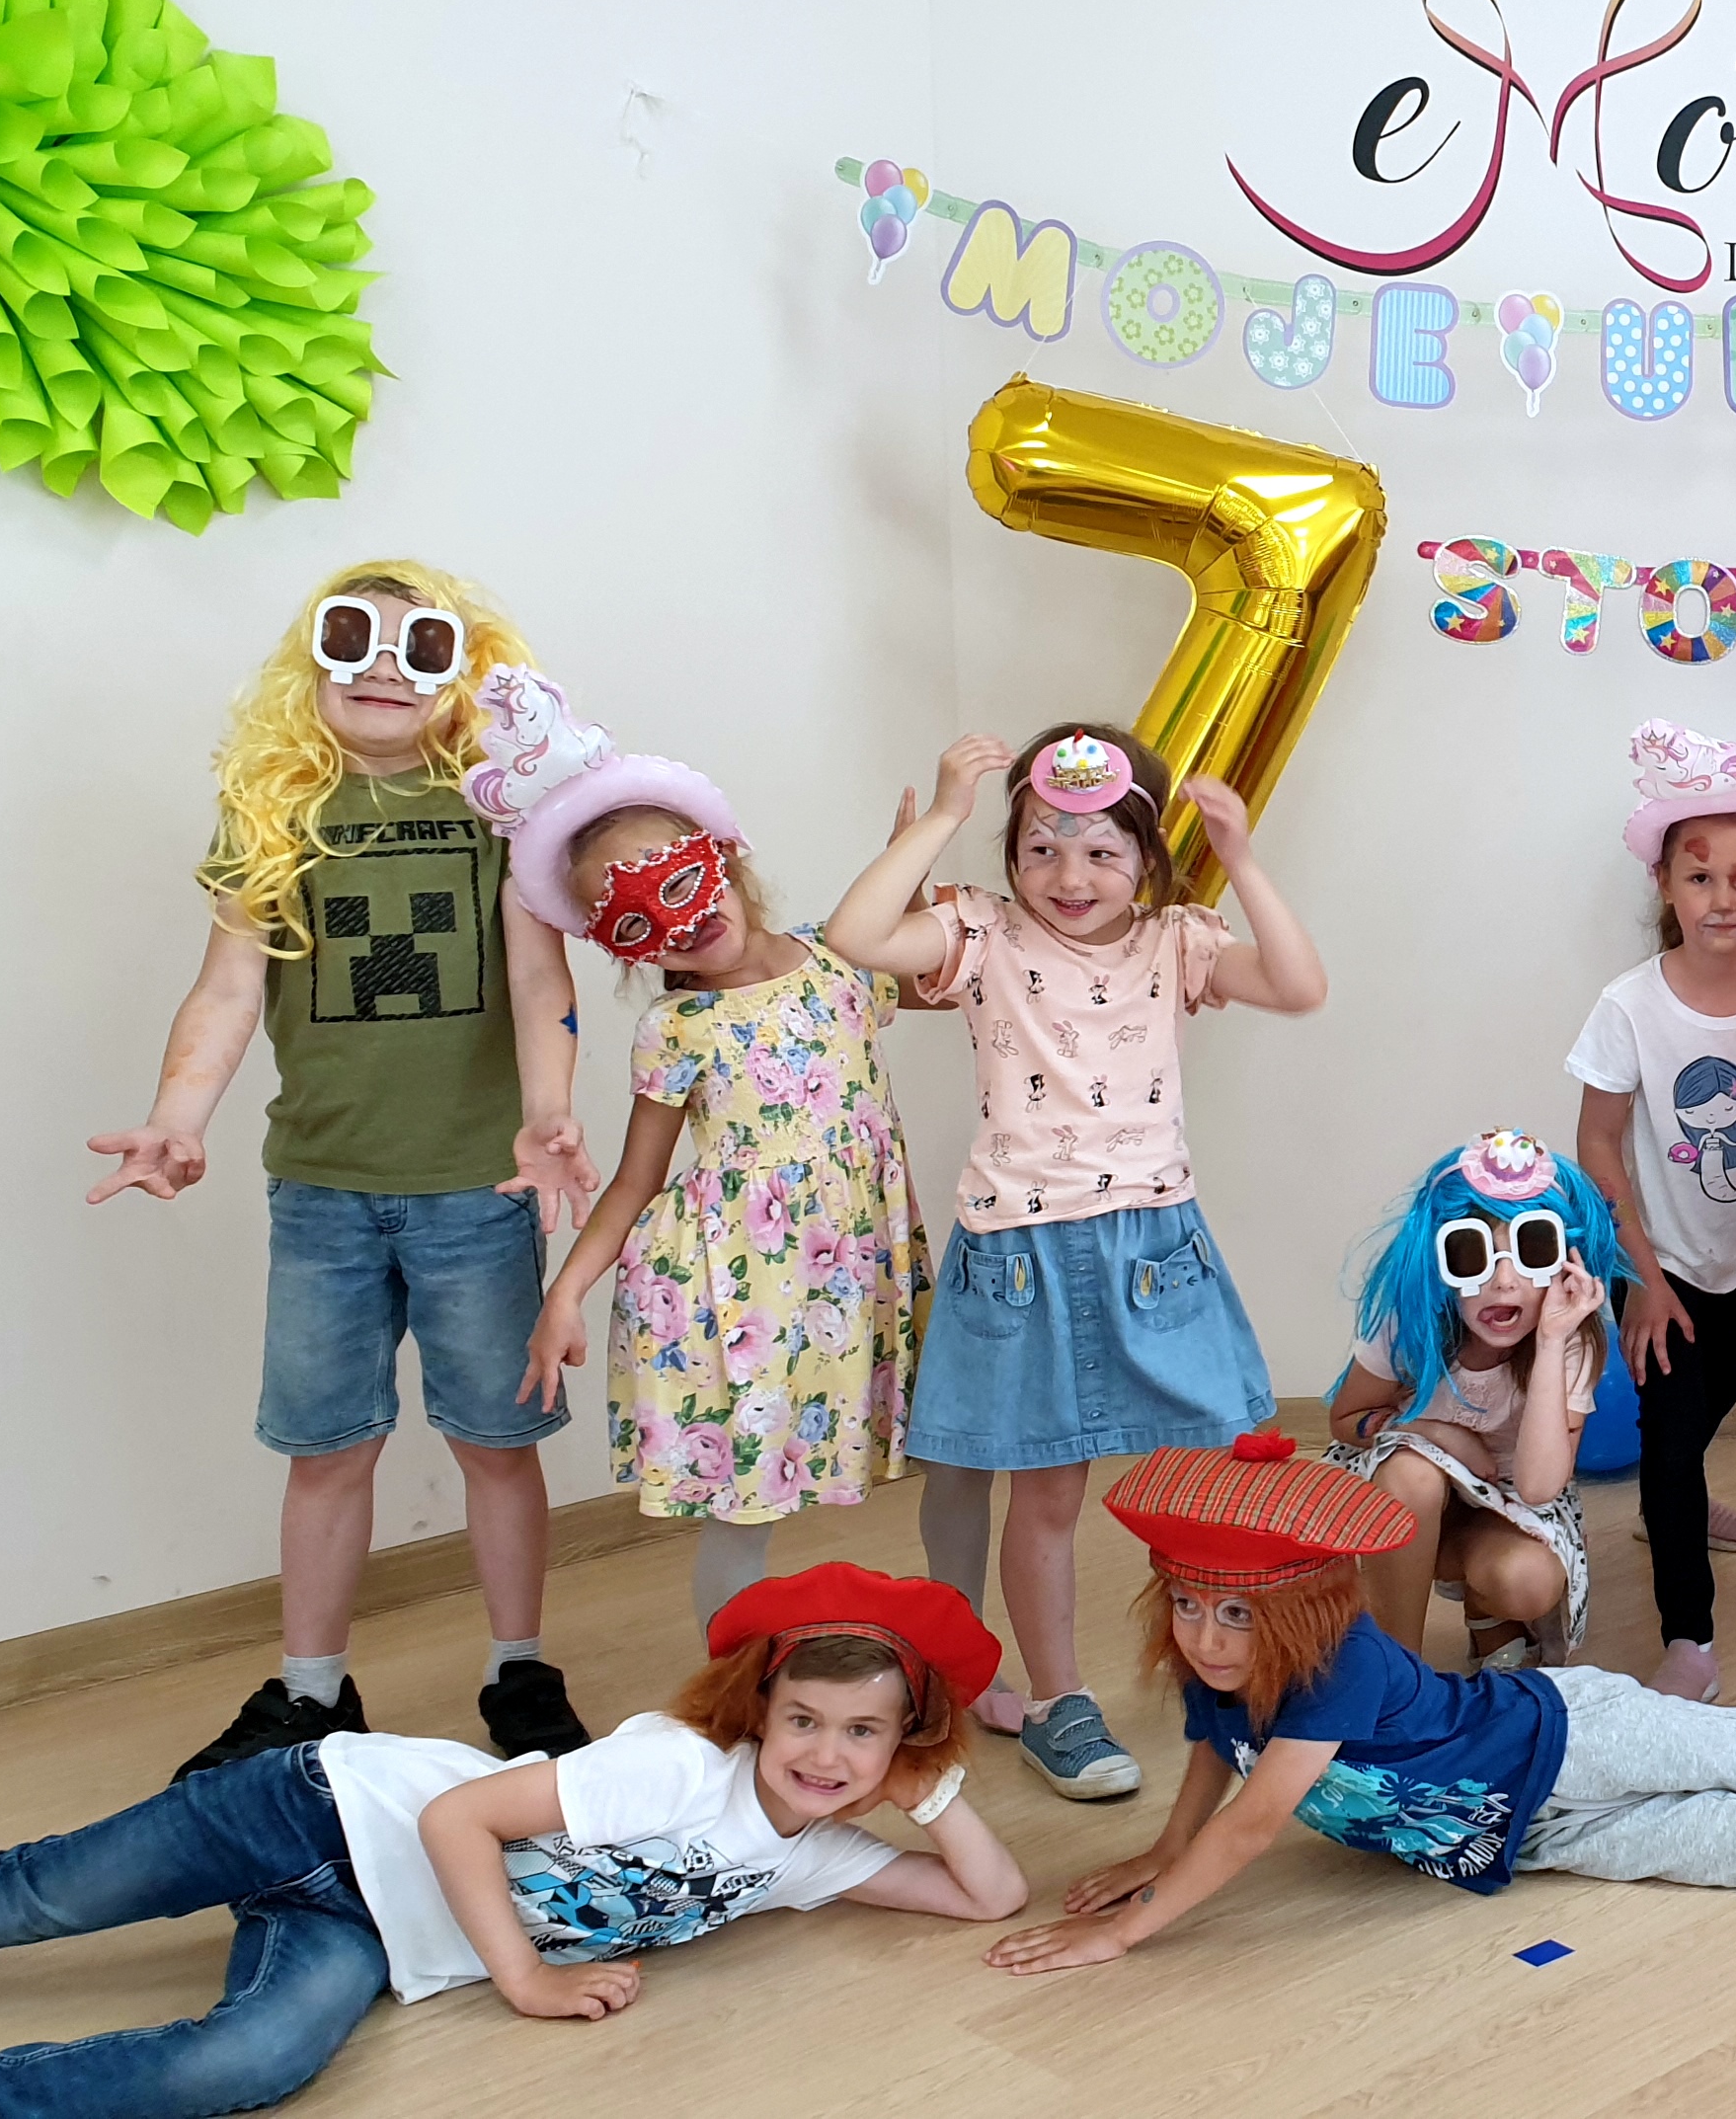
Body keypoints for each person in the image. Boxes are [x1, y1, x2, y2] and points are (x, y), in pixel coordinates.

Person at [981, 1432, 1736, 1978]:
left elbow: (1251, 1824)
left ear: (1301, 1608)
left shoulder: (1337, 1666)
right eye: (1189, 1606)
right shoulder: (1220, 1674)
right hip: (1532, 1836)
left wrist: (1127, 1929)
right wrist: (1159, 1851)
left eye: (1236, 1614)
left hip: (1574, 1735)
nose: (1206, 1638)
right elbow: (1211, 1758)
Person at [93, 564, 599, 1779]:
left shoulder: (502, 809)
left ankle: (520, 1671)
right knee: (324, 1449)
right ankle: (313, 1692)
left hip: (477, 1191)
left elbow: (540, 978)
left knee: (497, 1443)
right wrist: (176, 1116)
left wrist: (547, 1114)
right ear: (308, 664)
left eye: (418, 645)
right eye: (352, 638)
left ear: (464, 670)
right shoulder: (274, 809)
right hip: (321, 1191)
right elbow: (227, 989)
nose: (381, 665)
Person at [0, 1565, 1024, 2116]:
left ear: (905, 1741)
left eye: (863, 1733)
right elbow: (455, 1817)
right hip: (319, 1809)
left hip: (371, 1925)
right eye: (804, 1721)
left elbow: (991, 1897)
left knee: (252, 2063)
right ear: (760, 1711)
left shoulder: (810, 1859)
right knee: (17, 1904)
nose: (826, 1754)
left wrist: (930, 1792)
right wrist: (528, 1981)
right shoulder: (681, 1768)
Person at [825, 721, 1328, 1802]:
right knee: (1046, 1496)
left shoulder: (1176, 940)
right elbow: (855, 935)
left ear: (1146, 861)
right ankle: (1061, 1703)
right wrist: (943, 818)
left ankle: (1227, 1668)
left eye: (1102, 852)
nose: (1070, 876)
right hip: (1021, 1246)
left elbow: (1299, 986)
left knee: (1213, 1476)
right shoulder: (981, 933)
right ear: (1010, 854)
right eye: (1042, 848)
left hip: (1155, 1239)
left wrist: (1241, 858)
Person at [485, 667, 929, 1628]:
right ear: (627, 948)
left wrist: (913, 868)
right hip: (735, 1289)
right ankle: (735, 1686)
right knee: (746, 1505)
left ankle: (860, 1672)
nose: (682, 920)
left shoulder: (839, 960)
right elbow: (636, 1181)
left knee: (862, 1470)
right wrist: (565, 1292)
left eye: (683, 881)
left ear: (724, 856)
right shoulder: (677, 1029)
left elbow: (942, 974)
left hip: (846, 1269)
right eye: (640, 918)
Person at [1569, 723, 1736, 1701]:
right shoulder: (1630, 1006)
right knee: (1671, 1437)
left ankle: (1675, 1501)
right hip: (1656, 1260)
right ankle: (1690, 1634)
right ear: (1666, 886)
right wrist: (1640, 1277)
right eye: (1700, 877)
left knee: (1714, 1401)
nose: (1723, 899)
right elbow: (1598, 1143)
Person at [1324, 1131, 1633, 1672]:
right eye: (1471, 1254)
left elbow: (1538, 1487)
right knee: (1411, 1473)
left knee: (1527, 1580)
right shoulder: (1412, 1323)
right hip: (1415, 1503)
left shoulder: (1571, 1340)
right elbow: (1346, 1420)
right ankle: (1398, 1672)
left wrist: (1552, 1340)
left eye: (1533, 1251)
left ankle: (1486, 1611)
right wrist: (1437, 1434)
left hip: (1512, 1503)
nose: (1503, 1282)